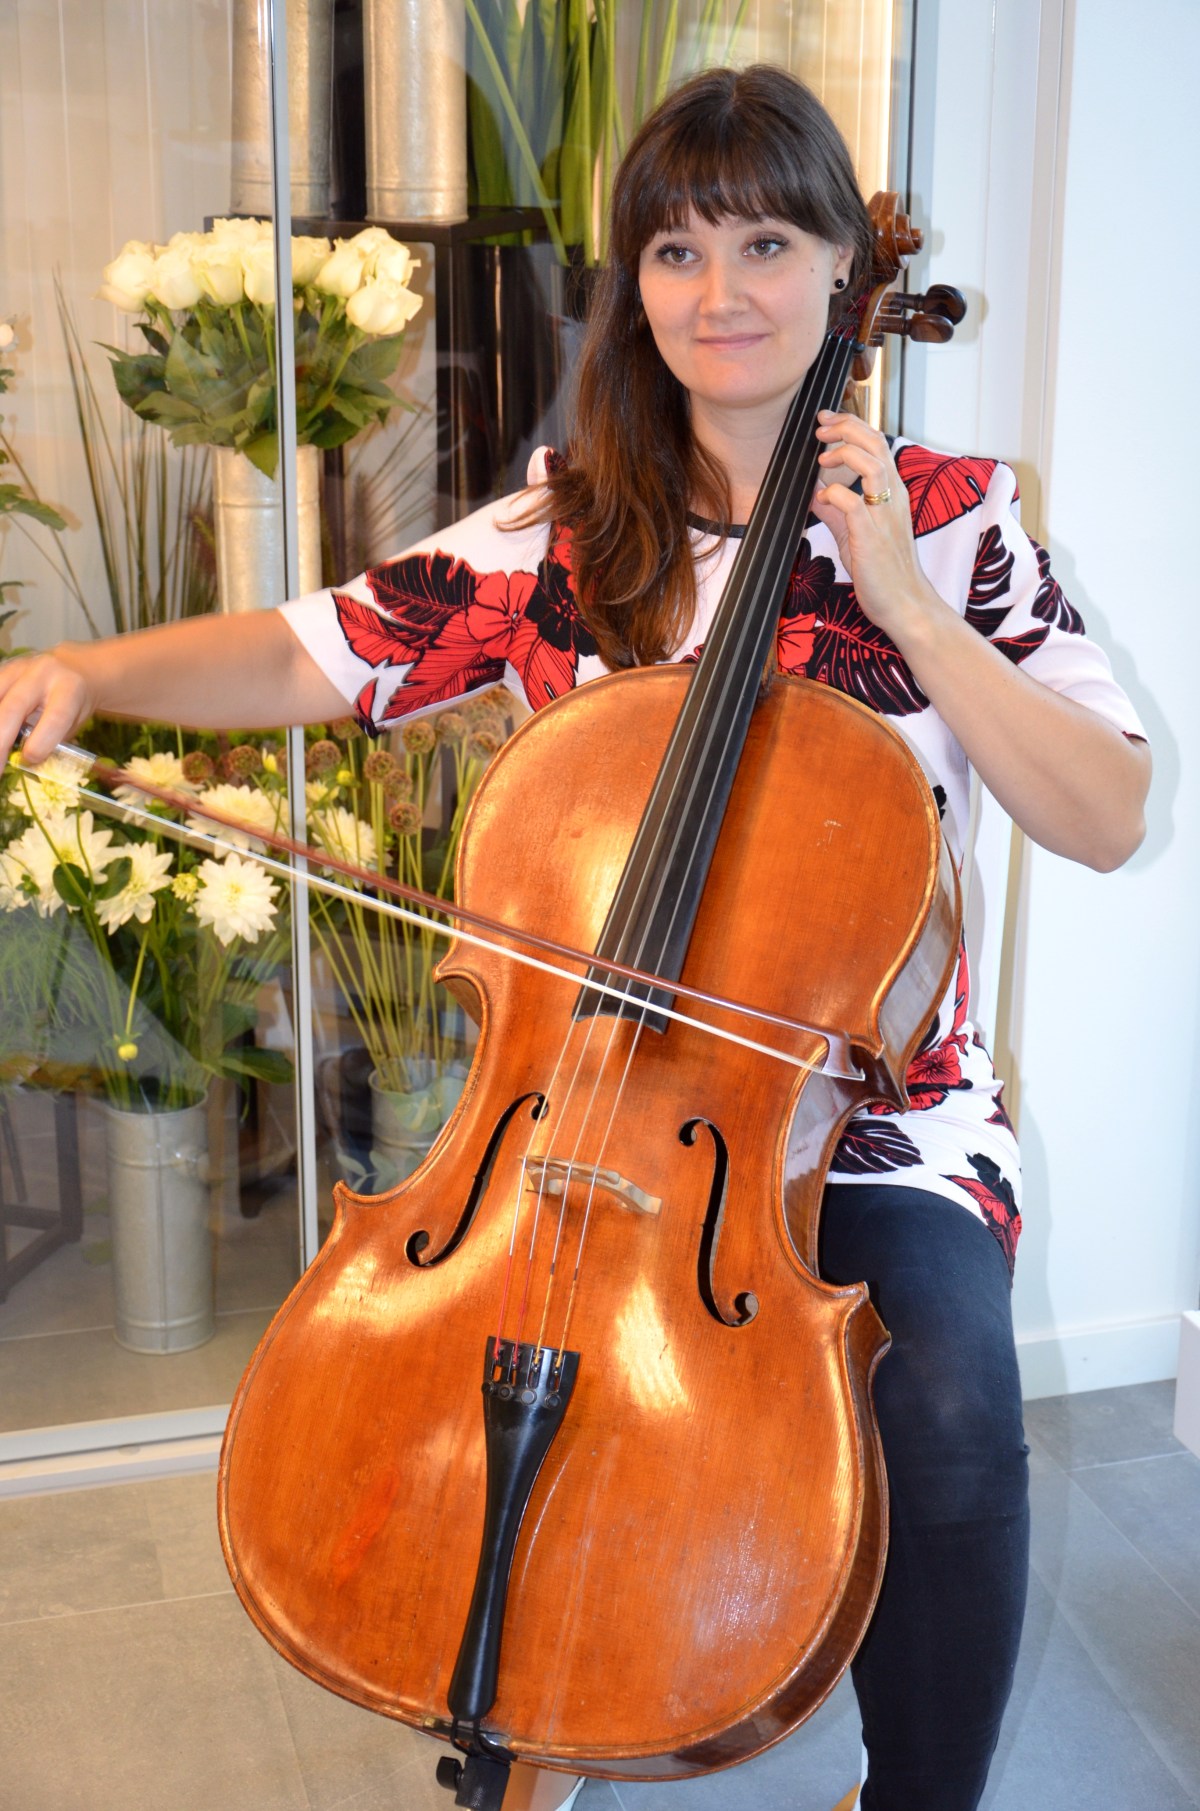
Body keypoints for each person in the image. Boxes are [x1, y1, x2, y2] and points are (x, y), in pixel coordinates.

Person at [0, 63, 1149, 1811]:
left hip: (879, 1117)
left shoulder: (961, 518)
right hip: (574, 1105)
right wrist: (89, 672)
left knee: (956, 1415)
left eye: (767, 244)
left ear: (846, 271)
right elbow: (316, 651)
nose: (720, 293)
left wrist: (910, 604)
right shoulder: (568, 527)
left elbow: (1107, 815)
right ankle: (535, 1699)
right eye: (677, 251)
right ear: (636, 287)